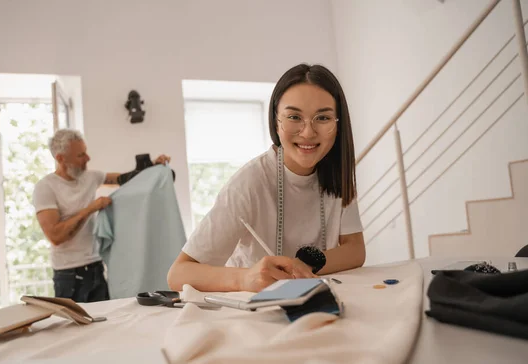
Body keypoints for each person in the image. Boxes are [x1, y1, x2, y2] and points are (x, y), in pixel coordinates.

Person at [168, 64, 365, 293]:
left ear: (338, 124)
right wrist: (244, 279)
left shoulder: (335, 174)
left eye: (322, 118)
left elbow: (355, 250)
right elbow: (177, 274)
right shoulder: (248, 184)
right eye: (294, 116)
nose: (308, 132)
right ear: (275, 121)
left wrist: (303, 266)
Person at [33, 129, 171, 302]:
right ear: (61, 158)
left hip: (96, 269)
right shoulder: (45, 187)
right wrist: (91, 208)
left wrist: (153, 165)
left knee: (105, 324)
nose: (88, 158)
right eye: (81, 155)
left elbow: (127, 178)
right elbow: (55, 236)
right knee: (75, 329)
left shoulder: (91, 177)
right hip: (69, 275)